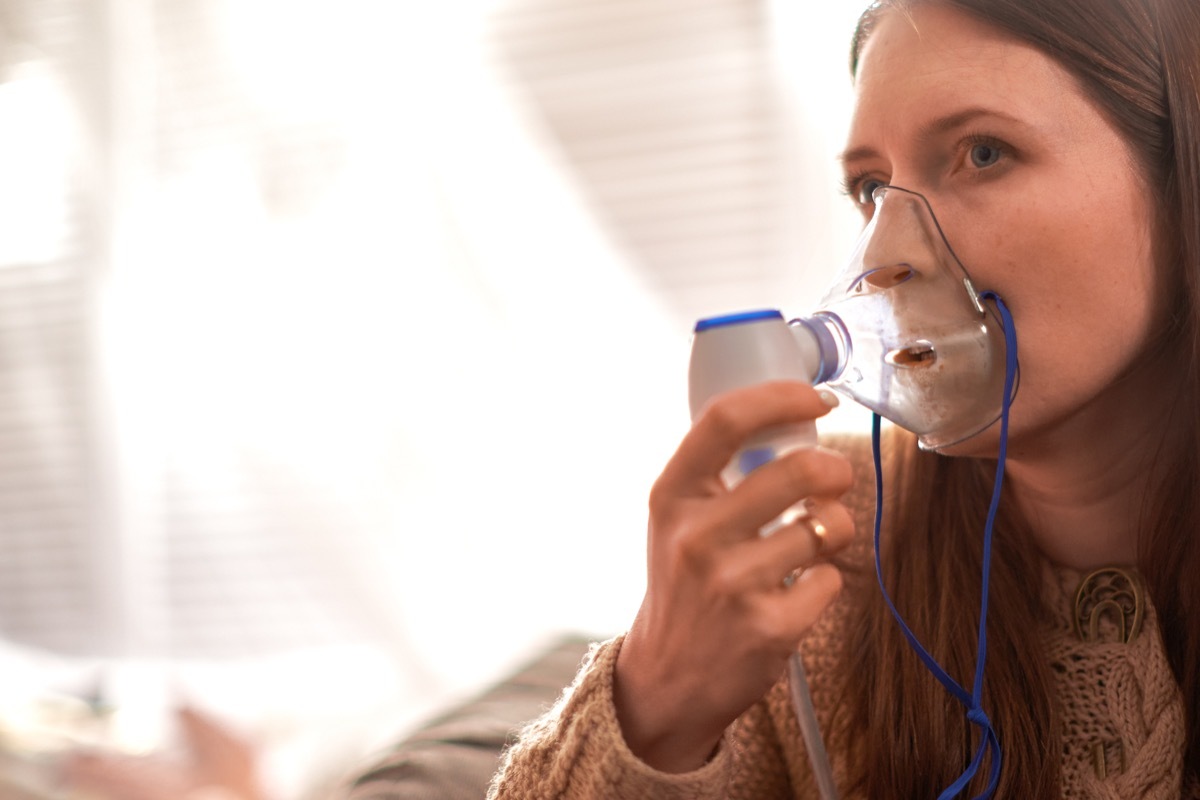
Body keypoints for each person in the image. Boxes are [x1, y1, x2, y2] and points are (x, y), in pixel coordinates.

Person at [485, 0, 1200, 797]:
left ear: (1181, 180)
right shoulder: (821, 552)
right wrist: (654, 702)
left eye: (984, 153)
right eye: (870, 187)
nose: (885, 256)